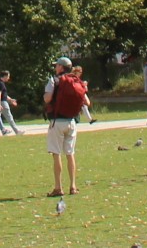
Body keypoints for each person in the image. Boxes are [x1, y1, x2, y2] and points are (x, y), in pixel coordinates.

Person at [42, 56, 87, 197]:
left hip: (57, 121)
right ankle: (73, 186)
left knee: (56, 154)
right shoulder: (76, 81)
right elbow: (87, 101)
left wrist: (45, 97)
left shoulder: (54, 80)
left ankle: (58, 187)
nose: (55, 68)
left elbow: (48, 99)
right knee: (70, 154)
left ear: (61, 67)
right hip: (72, 121)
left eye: (57, 66)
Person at [0, 70, 20, 135]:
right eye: (8, 76)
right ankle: (17, 131)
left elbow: (4, 94)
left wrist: (10, 100)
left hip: (1, 102)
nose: (8, 78)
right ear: (5, 76)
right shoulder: (0, 83)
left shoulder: (0, 83)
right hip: (2, 102)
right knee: (9, 117)